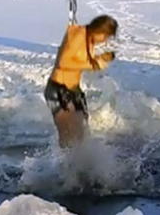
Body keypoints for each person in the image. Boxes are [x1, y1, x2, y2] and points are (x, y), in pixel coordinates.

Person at [44, 15, 118, 148]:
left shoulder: (88, 40)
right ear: (100, 31)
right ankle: (66, 166)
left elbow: (77, 59)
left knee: (82, 132)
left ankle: (82, 166)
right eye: (105, 37)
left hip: (73, 90)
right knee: (68, 136)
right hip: (58, 90)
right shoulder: (78, 35)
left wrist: (100, 58)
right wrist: (93, 65)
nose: (105, 41)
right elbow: (63, 62)